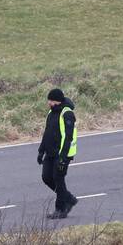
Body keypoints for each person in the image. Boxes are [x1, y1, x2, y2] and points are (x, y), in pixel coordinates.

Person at [37, 88, 78, 218]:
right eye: (49, 100)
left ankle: (60, 210)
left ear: (58, 101)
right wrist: (41, 151)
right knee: (46, 177)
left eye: (51, 100)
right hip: (50, 153)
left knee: (58, 180)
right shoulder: (51, 112)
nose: (49, 102)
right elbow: (47, 133)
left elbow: (68, 137)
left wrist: (62, 158)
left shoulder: (67, 114)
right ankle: (69, 198)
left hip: (62, 154)